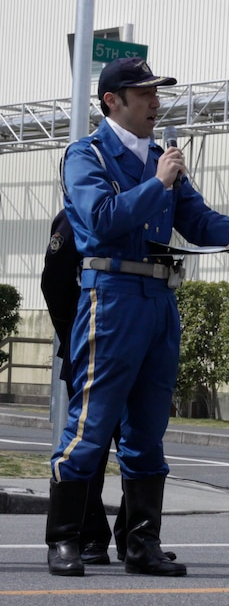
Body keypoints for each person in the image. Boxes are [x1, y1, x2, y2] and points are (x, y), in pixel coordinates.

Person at [47, 57, 229, 577]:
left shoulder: (162, 160)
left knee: (147, 429)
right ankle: (66, 539)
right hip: (112, 296)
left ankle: (142, 543)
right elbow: (98, 221)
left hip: (159, 299)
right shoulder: (86, 154)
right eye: (143, 94)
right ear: (112, 102)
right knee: (91, 422)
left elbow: (196, 218)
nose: (155, 103)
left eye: (156, 94)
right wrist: (158, 184)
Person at [41, 211, 125, 565]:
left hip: (135, 342)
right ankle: (90, 537)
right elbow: (56, 282)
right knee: (89, 442)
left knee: (139, 442)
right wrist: (77, 335)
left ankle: (135, 538)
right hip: (92, 341)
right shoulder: (78, 215)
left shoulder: (146, 208)